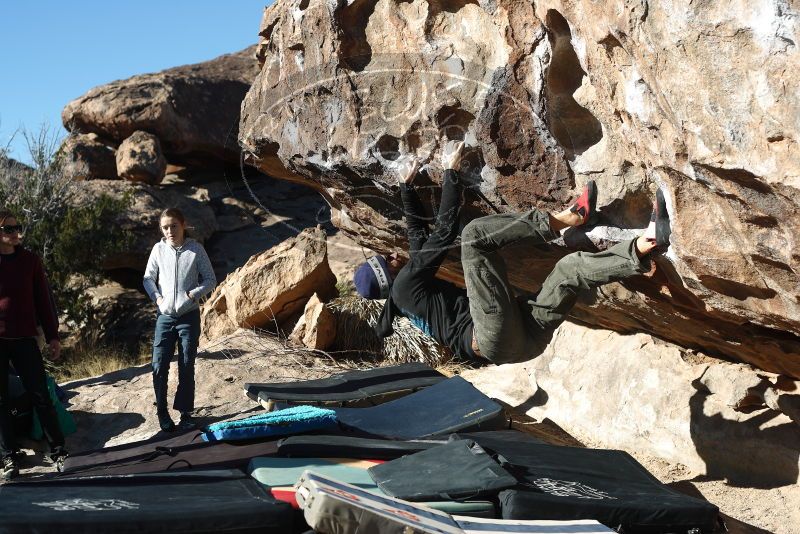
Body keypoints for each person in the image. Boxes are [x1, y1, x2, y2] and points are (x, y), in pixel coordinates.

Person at [353, 141, 671, 365]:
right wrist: (450, 174)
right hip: (490, 332)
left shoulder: (404, 293)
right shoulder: (405, 286)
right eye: (388, 260)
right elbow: (443, 234)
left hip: (518, 344)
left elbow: (417, 239)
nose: (394, 256)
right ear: (389, 274)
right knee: (473, 237)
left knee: (570, 270)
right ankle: (569, 218)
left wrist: (407, 189)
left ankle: (647, 244)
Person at [0, 210, 68, 480]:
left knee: (40, 393)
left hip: (25, 339)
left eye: (18, 227)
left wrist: (53, 336)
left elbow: (44, 301)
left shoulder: (30, 261)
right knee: (0, 400)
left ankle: (59, 449)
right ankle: (8, 456)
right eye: (9, 229)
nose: (16, 233)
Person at [143, 208, 216, 432]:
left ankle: (185, 413)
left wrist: (192, 295)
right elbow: (148, 278)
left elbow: (210, 279)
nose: (169, 231)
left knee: (186, 364)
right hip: (164, 316)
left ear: (183, 225)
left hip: (189, 316)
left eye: (174, 225)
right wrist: (158, 299)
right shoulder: (158, 249)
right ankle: (162, 413)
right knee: (159, 364)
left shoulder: (196, 249)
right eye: (165, 227)